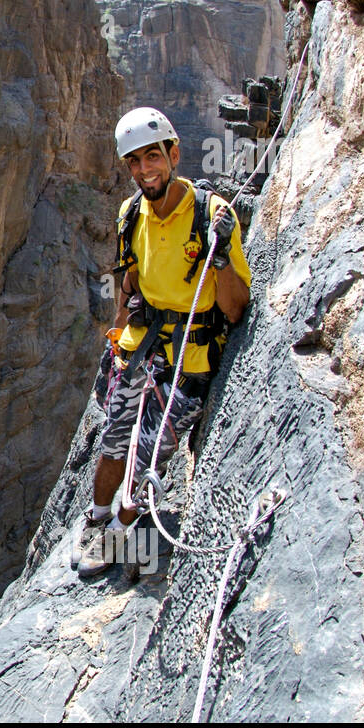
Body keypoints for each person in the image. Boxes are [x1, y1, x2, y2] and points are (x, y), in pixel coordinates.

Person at [75, 107, 252, 577]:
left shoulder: (211, 216)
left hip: (190, 358)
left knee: (148, 451)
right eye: (134, 162)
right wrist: (115, 338)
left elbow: (235, 309)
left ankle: (119, 532)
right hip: (140, 349)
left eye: (152, 157)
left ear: (173, 154)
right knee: (113, 441)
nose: (143, 170)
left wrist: (219, 257)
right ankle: (95, 519)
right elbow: (129, 281)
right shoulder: (130, 213)